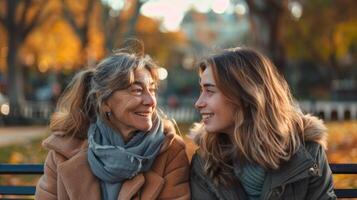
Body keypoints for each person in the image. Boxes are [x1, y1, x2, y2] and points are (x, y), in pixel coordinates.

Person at [35, 49, 190, 200]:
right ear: (103, 102)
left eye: (152, 90)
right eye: (137, 90)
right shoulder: (63, 151)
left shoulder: (171, 151)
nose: (151, 101)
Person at [189, 47, 336, 200]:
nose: (198, 103)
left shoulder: (307, 153)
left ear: (246, 95)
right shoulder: (206, 162)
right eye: (201, 90)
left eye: (210, 91)